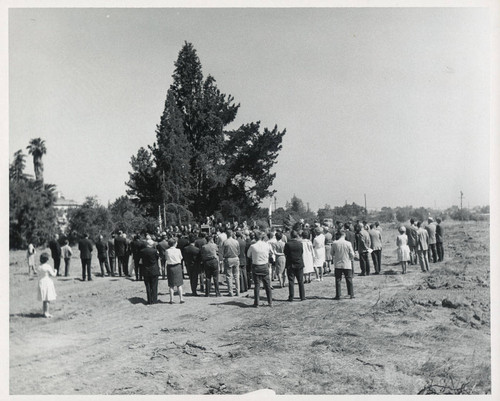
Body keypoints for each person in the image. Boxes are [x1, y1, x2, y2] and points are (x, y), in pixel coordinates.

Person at [247, 231, 273, 307]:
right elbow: (271, 253)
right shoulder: (267, 245)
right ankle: (270, 301)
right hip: (264, 265)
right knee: (267, 285)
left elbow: (248, 255)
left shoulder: (253, 246)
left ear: (255, 237)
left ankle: (256, 302)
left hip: (256, 266)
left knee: (257, 285)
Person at [331, 230, 355, 299]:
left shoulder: (335, 243)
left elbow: (331, 253)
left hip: (338, 264)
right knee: (349, 279)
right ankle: (351, 294)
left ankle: (338, 295)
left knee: (338, 279)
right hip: (347, 263)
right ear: (344, 235)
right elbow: (352, 254)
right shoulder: (348, 243)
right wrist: (350, 258)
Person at [283, 230, 305, 301]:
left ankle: (291, 296)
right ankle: (302, 296)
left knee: (291, 281)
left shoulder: (287, 244)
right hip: (299, 263)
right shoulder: (300, 243)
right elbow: (301, 252)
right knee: (300, 281)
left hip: (290, 264)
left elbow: (285, 253)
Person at [139, 238, 160, 305]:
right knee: (154, 285)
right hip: (154, 269)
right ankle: (154, 299)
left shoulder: (142, 251)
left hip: (145, 269)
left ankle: (149, 300)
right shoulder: (154, 251)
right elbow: (157, 258)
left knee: (147, 285)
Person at [36, 252, 57, 318]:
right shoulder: (47, 266)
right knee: (48, 298)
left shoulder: (39, 267)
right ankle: (47, 313)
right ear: (46, 259)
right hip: (47, 282)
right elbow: (53, 275)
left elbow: (38, 274)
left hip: (41, 282)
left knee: (44, 298)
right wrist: (55, 271)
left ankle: (44, 312)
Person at [165, 237, 185, 304]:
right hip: (177, 266)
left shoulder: (167, 251)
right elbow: (181, 258)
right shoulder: (178, 250)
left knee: (171, 285)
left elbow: (166, 258)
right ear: (174, 243)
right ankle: (181, 298)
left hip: (170, 267)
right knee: (179, 284)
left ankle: (171, 299)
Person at [222, 230, 240, 297]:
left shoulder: (225, 242)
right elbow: (239, 251)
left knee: (229, 276)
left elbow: (223, 251)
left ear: (227, 235)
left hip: (228, 259)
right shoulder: (236, 242)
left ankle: (230, 292)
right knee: (236, 276)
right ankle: (238, 291)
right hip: (235, 258)